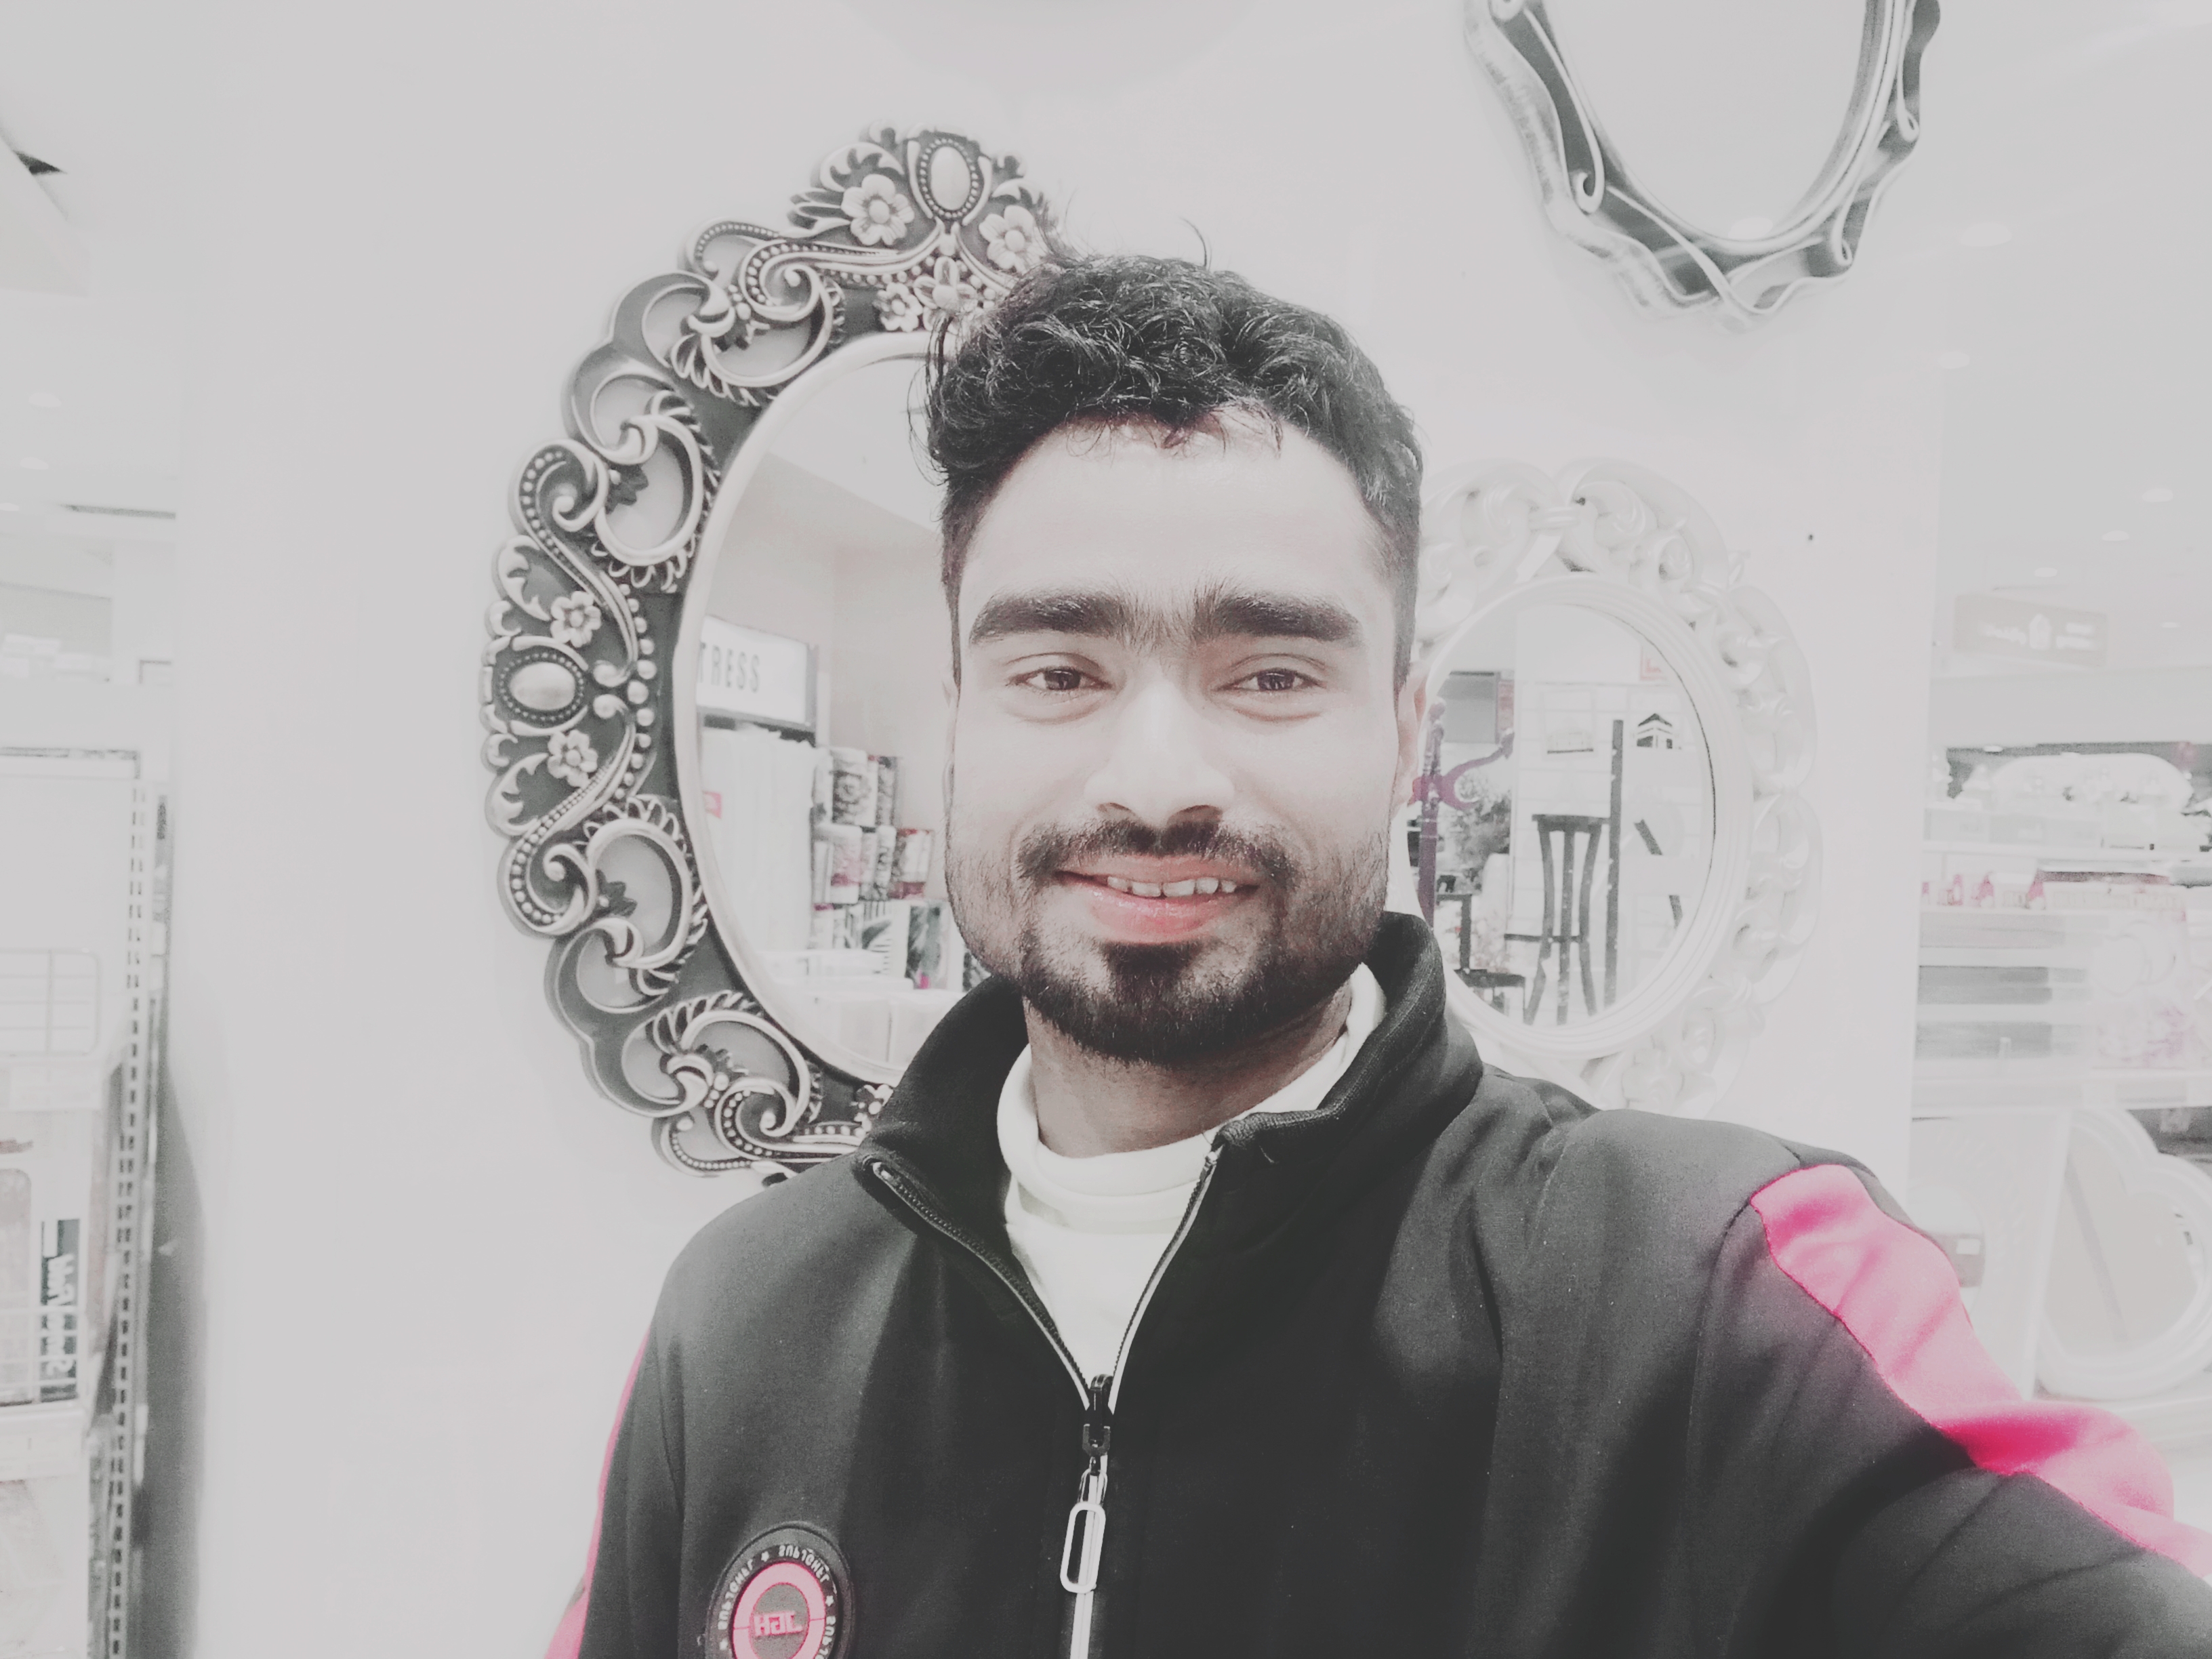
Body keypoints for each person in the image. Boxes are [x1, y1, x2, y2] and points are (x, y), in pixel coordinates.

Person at [556, 257, 2212, 1659]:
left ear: (1407, 732)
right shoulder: (746, 1320)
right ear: (957, 720)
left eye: (1271, 674)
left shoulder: (1719, 1294)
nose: (1155, 778)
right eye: (1057, 671)